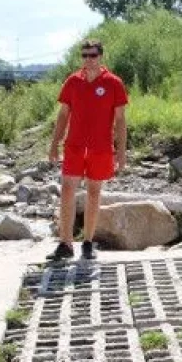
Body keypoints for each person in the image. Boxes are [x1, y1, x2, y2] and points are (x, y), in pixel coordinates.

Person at [48, 39, 128, 261]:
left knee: (94, 193)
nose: (88, 60)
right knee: (67, 190)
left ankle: (88, 243)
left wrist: (121, 151)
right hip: (74, 145)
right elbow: (63, 114)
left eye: (92, 55)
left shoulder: (113, 83)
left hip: (100, 147)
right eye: (84, 55)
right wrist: (54, 143)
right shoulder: (73, 81)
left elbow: (121, 120)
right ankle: (65, 243)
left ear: (100, 56)